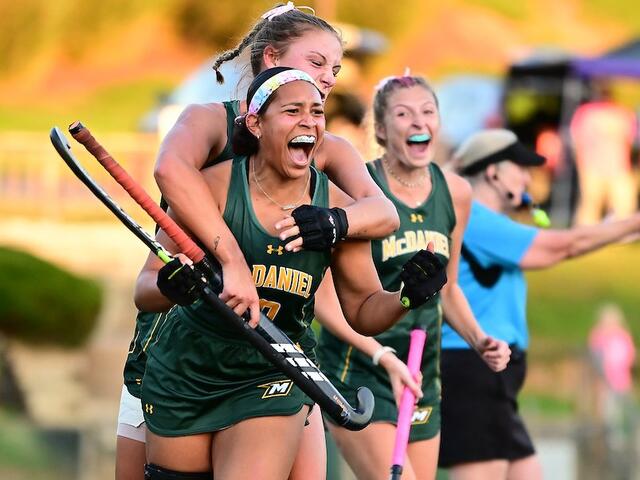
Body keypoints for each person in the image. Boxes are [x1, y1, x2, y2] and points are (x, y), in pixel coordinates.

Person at [115, 5, 401, 479]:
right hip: (180, 348)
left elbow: (382, 212)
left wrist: (334, 222)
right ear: (271, 58)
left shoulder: (324, 145)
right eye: (316, 63)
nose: (328, 79)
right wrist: (230, 261)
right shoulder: (211, 123)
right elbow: (168, 171)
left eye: (335, 68)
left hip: (273, 356)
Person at [316, 74, 511, 480]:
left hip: (421, 373)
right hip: (361, 367)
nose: (419, 122)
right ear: (383, 131)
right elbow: (325, 301)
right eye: (404, 114)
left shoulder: (454, 191)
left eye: (428, 112)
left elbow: (449, 286)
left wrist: (479, 340)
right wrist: (381, 355)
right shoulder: (357, 190)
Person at [438, 128, 640, 480]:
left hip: (495, 372)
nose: (528, 178)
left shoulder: (490, 221)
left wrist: (627, 229)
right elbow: (563, 245)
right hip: (474, 367)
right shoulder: (476, 219)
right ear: (493, 172)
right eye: (520, 167)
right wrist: (632, 223)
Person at [570, 81, 638, 225]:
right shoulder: (621, 112)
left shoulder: (620, 112)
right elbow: (631, 141)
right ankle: (592, 233)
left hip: (610, 165)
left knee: (612, 204)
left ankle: (594, 233)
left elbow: (575, 141)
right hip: (603, 165)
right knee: (596, 205)